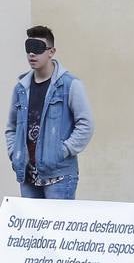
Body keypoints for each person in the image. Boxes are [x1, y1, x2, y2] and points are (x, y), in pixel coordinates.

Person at [5, 25, 93, 200]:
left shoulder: (69, 85)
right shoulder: (21, 88)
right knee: (31, 228)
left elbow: (86, 125)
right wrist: (15, 154)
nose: (32, 54)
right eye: (28, 48)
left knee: (58, 227)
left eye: (37, 49)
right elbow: (11, 128)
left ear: (51, 51)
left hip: (59, 177)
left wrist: (62, 151)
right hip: (28, 177)